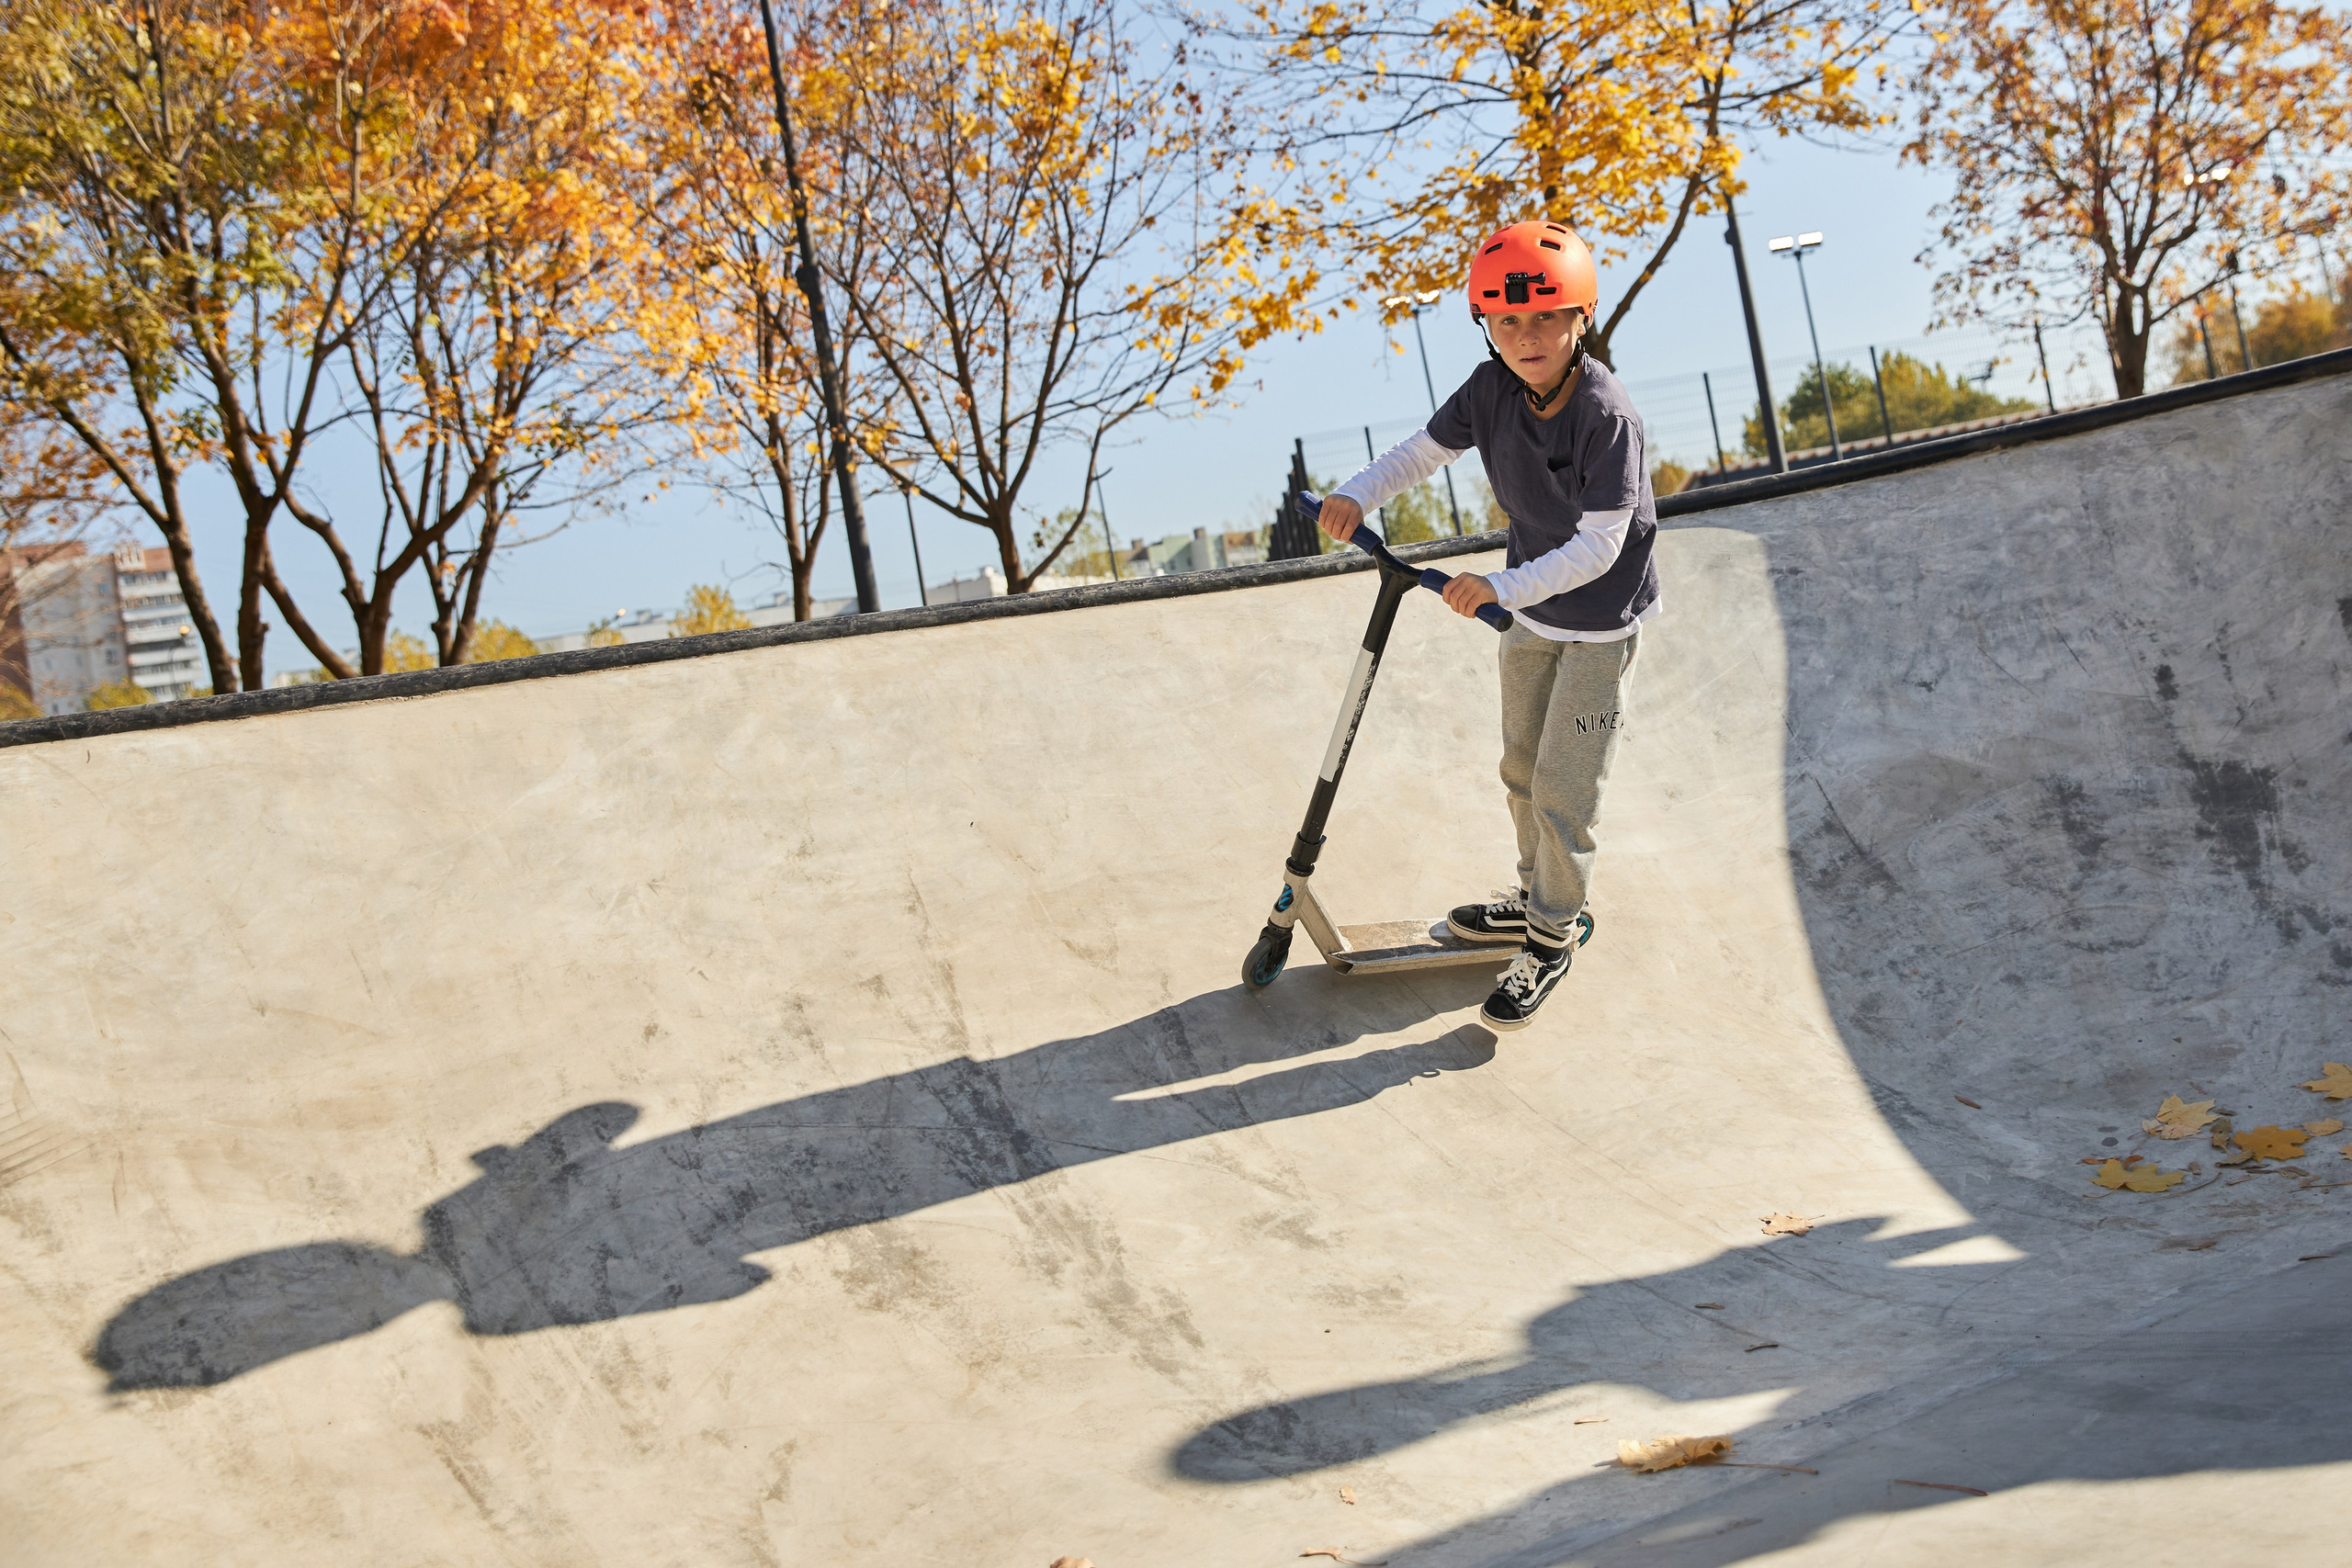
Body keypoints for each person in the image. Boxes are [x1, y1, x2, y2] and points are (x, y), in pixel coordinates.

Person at [1317, 220, 1660, 1032]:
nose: (1526, 337)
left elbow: (1601, 547)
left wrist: (1500, 585)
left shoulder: (1607, 415)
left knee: (1565, 792)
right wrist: (1358, 493)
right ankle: (1533, 898)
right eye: (1508, 322)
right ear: (1487, 326)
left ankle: (1552, 936)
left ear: (1581, 318)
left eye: (1545, 318)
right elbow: (1421, 452)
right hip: (1531, 615)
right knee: (1520, 769)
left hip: (1602, 627)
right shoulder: (1490, 390)